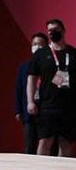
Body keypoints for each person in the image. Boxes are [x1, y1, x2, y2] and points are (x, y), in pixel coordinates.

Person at [27, 18, 76, 156]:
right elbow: (31, 78)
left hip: (69, 106)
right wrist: (30, 101)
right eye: (50, 31)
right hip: (47, 105)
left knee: (65, 142)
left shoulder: (73, 54)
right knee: (44, 141)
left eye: (56, 30)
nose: (52, 33)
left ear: (63, 31)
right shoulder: (40, 54)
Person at [13, 32, 48, 154]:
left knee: (47, 144)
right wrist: (17, 110)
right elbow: (18, 89)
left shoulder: (50, 65)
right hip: (28, 112)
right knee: (29, 144)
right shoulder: (24, 66)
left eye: (40, 44)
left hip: (45, 109)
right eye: (35, 44)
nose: (37, 47)